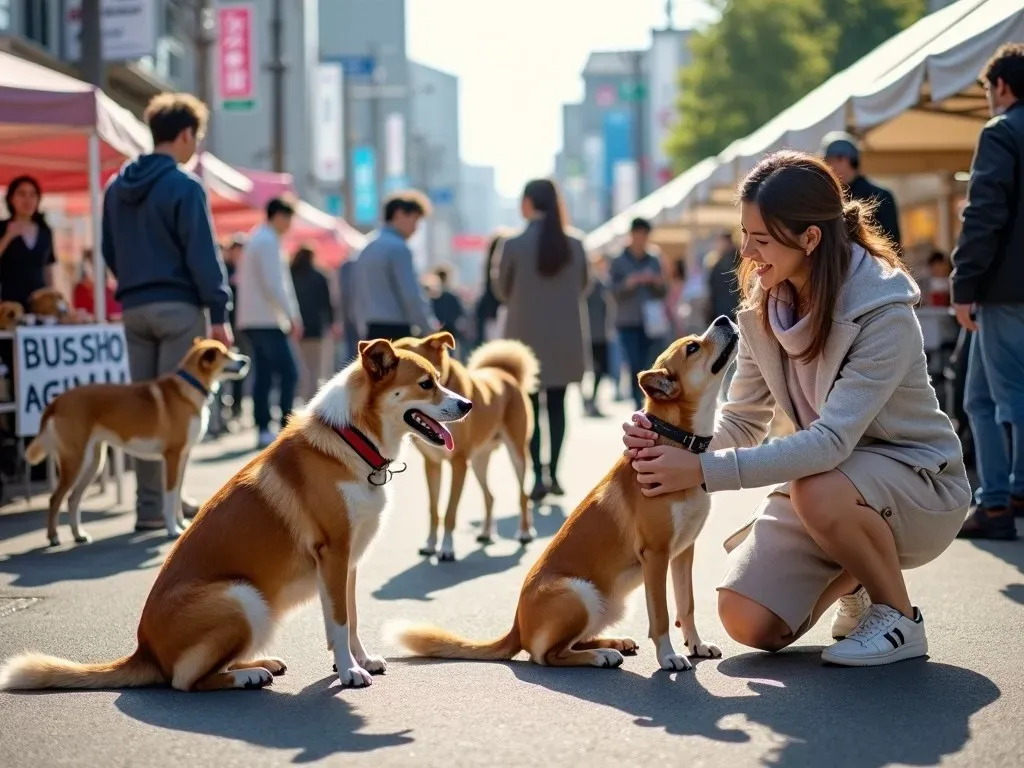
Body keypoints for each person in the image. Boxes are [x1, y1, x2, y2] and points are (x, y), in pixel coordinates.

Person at [622, 150, 971, 667]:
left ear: (810, 239)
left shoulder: (884, 311)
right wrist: (667, 447)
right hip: (831, 487)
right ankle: (855, 574)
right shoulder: (764, 309)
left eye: (760, 240)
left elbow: (831, 442)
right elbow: (743, 421)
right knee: (745, 619)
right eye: (744, 233)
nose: (746, 251)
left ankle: (899, 617)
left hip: (919, 484)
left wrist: (700, 469)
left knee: (818, 486)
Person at [101, 92, 232, 531]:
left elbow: (109, 250)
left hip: (134, 306)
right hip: (178, 306)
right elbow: (202, 254)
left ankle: (150, 507)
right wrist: (219, 312)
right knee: (179, 412)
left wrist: (135, 282)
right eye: (196, 137)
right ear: (184, 134)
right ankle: (166, 505)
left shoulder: (116, 187)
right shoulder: (184, 185)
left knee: (143, 411)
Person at [951, 43, 1024, 540]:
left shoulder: (1001, 132)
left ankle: (1003, 503)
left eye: (988, 90)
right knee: (978, 395)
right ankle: (1001, 496)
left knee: (1009, 398)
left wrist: (964, 284)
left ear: (1002, 86)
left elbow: (983, 214)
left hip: (1005, 288)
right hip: (1004, 289)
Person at [493, 178, 589, 501]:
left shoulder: (513, 244)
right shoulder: (575, 244)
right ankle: (555, 472)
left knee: (529, 408)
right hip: (564, 336)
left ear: (529, 203)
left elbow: (501, 290)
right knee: (559, 406)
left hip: (525, 339)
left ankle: (536, 475)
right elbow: (583, 286)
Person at [235, 197, 302, 450]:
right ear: (279, 216)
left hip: (253, 318)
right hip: (268, 319)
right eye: (289, 218)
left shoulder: (258, 239)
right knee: (288, 372)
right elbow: (275, 284)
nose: (290, 225)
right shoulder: (268, 241)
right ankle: (285, 424)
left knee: (263, 374)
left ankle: (263, 426)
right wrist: (292, 316)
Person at [352, 190, 437, 341]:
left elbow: (355, 294)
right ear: (399, 214)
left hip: (370, 329)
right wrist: (428, 328)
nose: (416, 227)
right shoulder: (399, 248)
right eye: (415, 219)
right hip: (397, 331)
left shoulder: (367, 246)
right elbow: (411, 295)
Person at [609, 217, 668, 409]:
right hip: (627, 320)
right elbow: (612, 292)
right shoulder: (618, 261)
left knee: (649, 363)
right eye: (639, 235)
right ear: (632, 235)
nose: (641, 239)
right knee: (634, 363)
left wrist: (655, 282)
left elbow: (663, 291)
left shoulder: (654, 259)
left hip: (651, 321)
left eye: (645, 235)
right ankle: (638, 402)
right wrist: (630, 283)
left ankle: (647, 402)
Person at [821, 131, 902, 252]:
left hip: (873, 267)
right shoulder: (828, 197)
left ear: (844, 159)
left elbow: (892, 244)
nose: (826, 166)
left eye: (829, 160)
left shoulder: (881, 196)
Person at [0, 175, 55, 311]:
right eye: (22, 194)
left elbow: (48, 267)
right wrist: (8, 236)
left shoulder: (45, 231)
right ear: (11, 199)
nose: (28, 200)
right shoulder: (2, 227)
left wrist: (52, 296)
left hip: (40, 302)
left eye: (32, 194)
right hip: (9, 303)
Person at [290, 244, 336, 402]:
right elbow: (327, 304)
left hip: (293, 327)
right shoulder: (319, 276)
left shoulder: (290, 274)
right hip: (315, 328)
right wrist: (331, 322)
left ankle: (298, 395)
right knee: (314, 367)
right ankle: (311, 399)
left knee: (297, 365)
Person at [584, 254, 612, 417]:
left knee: (599, 370)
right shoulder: (592, 284)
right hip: (592, 335)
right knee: (595, 370)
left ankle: (591, 400)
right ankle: (589, 401)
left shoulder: (600, 283)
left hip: (600, 333)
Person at [71, 252, 122, 321]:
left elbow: (118, 312)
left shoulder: (110, 290)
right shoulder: (80, 290)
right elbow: (80, 314)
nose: (89, 271)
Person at [430, 264, 467, 356]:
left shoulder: (432, 297)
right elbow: (460, 314)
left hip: (436, 330)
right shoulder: (452, 297)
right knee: (449, 355)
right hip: (450, 330)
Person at [706, 231, 741, 323]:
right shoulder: (738, 259)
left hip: (726, 310)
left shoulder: (724, 263)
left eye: (719, 242)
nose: (717, 246)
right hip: (734, 310)